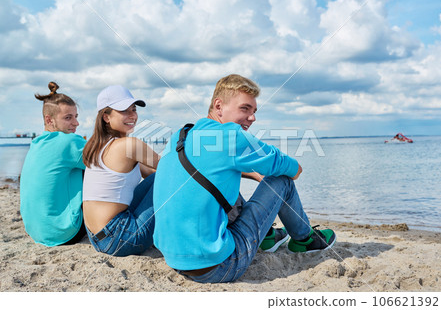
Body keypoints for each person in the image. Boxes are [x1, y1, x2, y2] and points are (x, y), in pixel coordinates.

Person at [153, 74, 336, 283]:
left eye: (254, 111)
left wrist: (251, 173)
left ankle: (266, 236)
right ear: (219, 106)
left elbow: (212, 170)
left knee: (222, 179)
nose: (253, 117)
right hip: (218, 265)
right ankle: (304, 239)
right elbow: (295, 169)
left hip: (174, 259)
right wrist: (270, 173)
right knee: (281, 180)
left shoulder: (180, 136)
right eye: (245, 108)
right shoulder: (231, 135)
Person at [82, 85, 160, 257]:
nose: (132, 115)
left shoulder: (97, 146)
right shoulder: (129, 145)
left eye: (134, 109)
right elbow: (171, 168)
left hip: (97, 238)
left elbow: (149, 173)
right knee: (172, 177)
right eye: (124, 110)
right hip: (121, 239)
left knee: (160, 178)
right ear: (106, 117)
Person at [20, 82, 87, 247]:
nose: (76, 123)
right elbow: (111, 160)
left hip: (36, 232)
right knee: (99, 168)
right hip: (64, 232)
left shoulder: (36, 143)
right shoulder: (69, 141)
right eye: (68, 118)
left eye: (76, 116)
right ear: (49, 120)